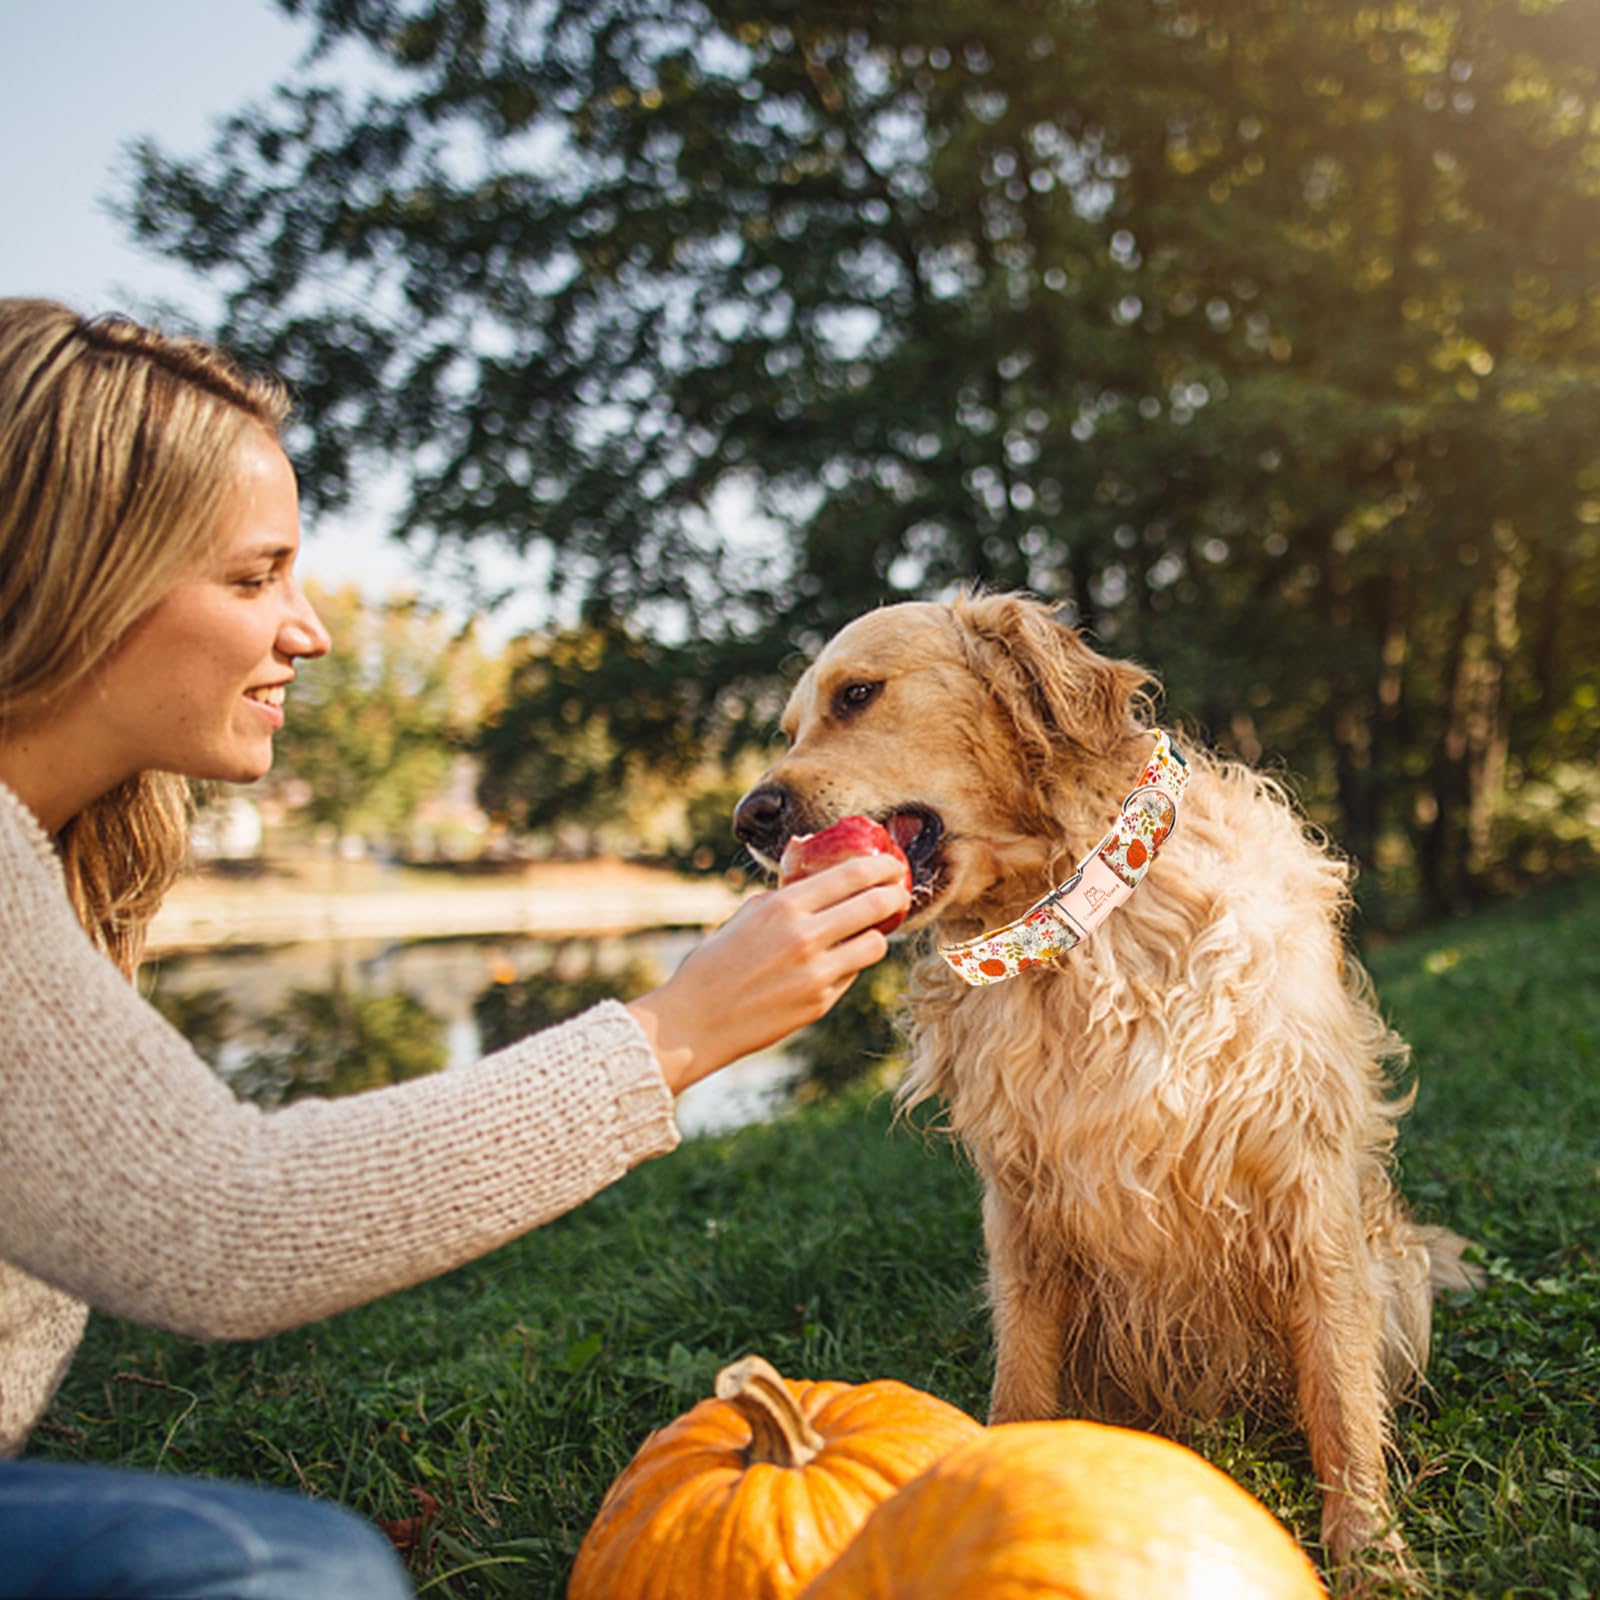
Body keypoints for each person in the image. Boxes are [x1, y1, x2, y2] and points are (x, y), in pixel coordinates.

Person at [0, 298, 910, 1599]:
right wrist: (680, 1029)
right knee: (299, 1574)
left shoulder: (56, 859)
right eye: (255, 578)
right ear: (66, 574)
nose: (307, 630)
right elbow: (224, 1223)